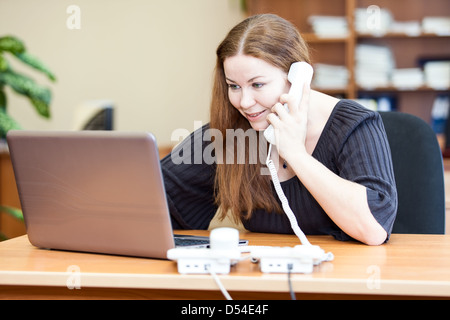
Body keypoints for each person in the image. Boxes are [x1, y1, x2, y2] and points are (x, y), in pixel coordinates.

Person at [161, 14, 397, 245]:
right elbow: (155, 194)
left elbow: (373, 229)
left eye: (257, 84)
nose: (244, 102)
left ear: (297, 77)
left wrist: (296, 154)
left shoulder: (354, 125)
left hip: (343, 277)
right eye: (234, 86)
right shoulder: (235, 132)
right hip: (263, 279)